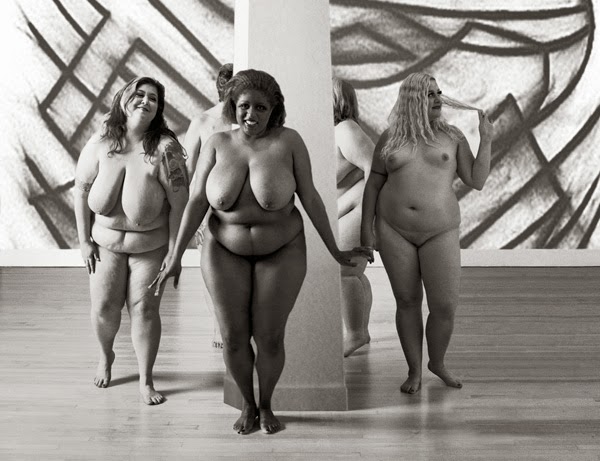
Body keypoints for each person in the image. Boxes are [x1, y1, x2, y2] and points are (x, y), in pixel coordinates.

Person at [151, 69, 368, 434]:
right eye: (244, 106)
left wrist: (335, 250)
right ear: (232, 106)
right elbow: (198, 200)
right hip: (222, 250)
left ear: (274, 109)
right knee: (234, 336)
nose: (251, 115)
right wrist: (174, 256)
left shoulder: (290, 142)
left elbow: (311, 198)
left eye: (261, 108)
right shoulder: (216, 142)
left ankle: (266, 404)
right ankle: (248, 405)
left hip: (282, 251)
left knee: (269, 336)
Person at [357, 72, 494, 394]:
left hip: (440, 230)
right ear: (412, 99)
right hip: (393, 230)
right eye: (429, 94)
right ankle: (414, 370)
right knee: (407, 301)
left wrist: (486, 140)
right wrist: (366, 231)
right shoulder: (390, 138)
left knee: (444, 305)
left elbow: (476, 180)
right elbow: (373, 184)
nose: (437, 99)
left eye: (438, 92)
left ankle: (438, 362)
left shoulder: (452, 136)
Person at [74, 77, 189, 405]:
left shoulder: (167, 150)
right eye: (138, 94)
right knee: (104, 308)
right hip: (104, 245)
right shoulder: (100, 141)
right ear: (123, 100)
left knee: (145, 310)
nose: (145, 101)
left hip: (149, 248)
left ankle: (145, 379)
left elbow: (181, 204)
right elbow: (80, 191)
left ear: (159, 108)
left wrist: (175, 252)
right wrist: (84, 241)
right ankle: (105, 355)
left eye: (153, 98)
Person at [183, 62, 234, 351]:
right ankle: (218, 325)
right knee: (212, 270)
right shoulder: (203, 122)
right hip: (210, 210)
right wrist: (189, 216)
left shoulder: (249, 119)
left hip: (244, 209)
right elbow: (187, 173)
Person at [332, 77, 375, 357]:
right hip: (353, 210)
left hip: (359, 212)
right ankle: (361, 332)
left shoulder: (346, 130)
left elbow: (375, 168)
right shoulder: (340, 131)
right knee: (352, 273)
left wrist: (366, 213)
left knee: (343, 272)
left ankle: (356, 334)